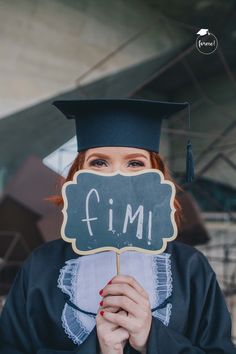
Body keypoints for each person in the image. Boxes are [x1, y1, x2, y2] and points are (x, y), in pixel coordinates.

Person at [0, 99, 235, 354]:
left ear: (157, 177)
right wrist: (97, 350)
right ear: (77, 175)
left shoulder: (190, 267)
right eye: (99, 162)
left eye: (135, 163)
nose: (116, 177)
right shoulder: (42, 265)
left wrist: (151, 337)